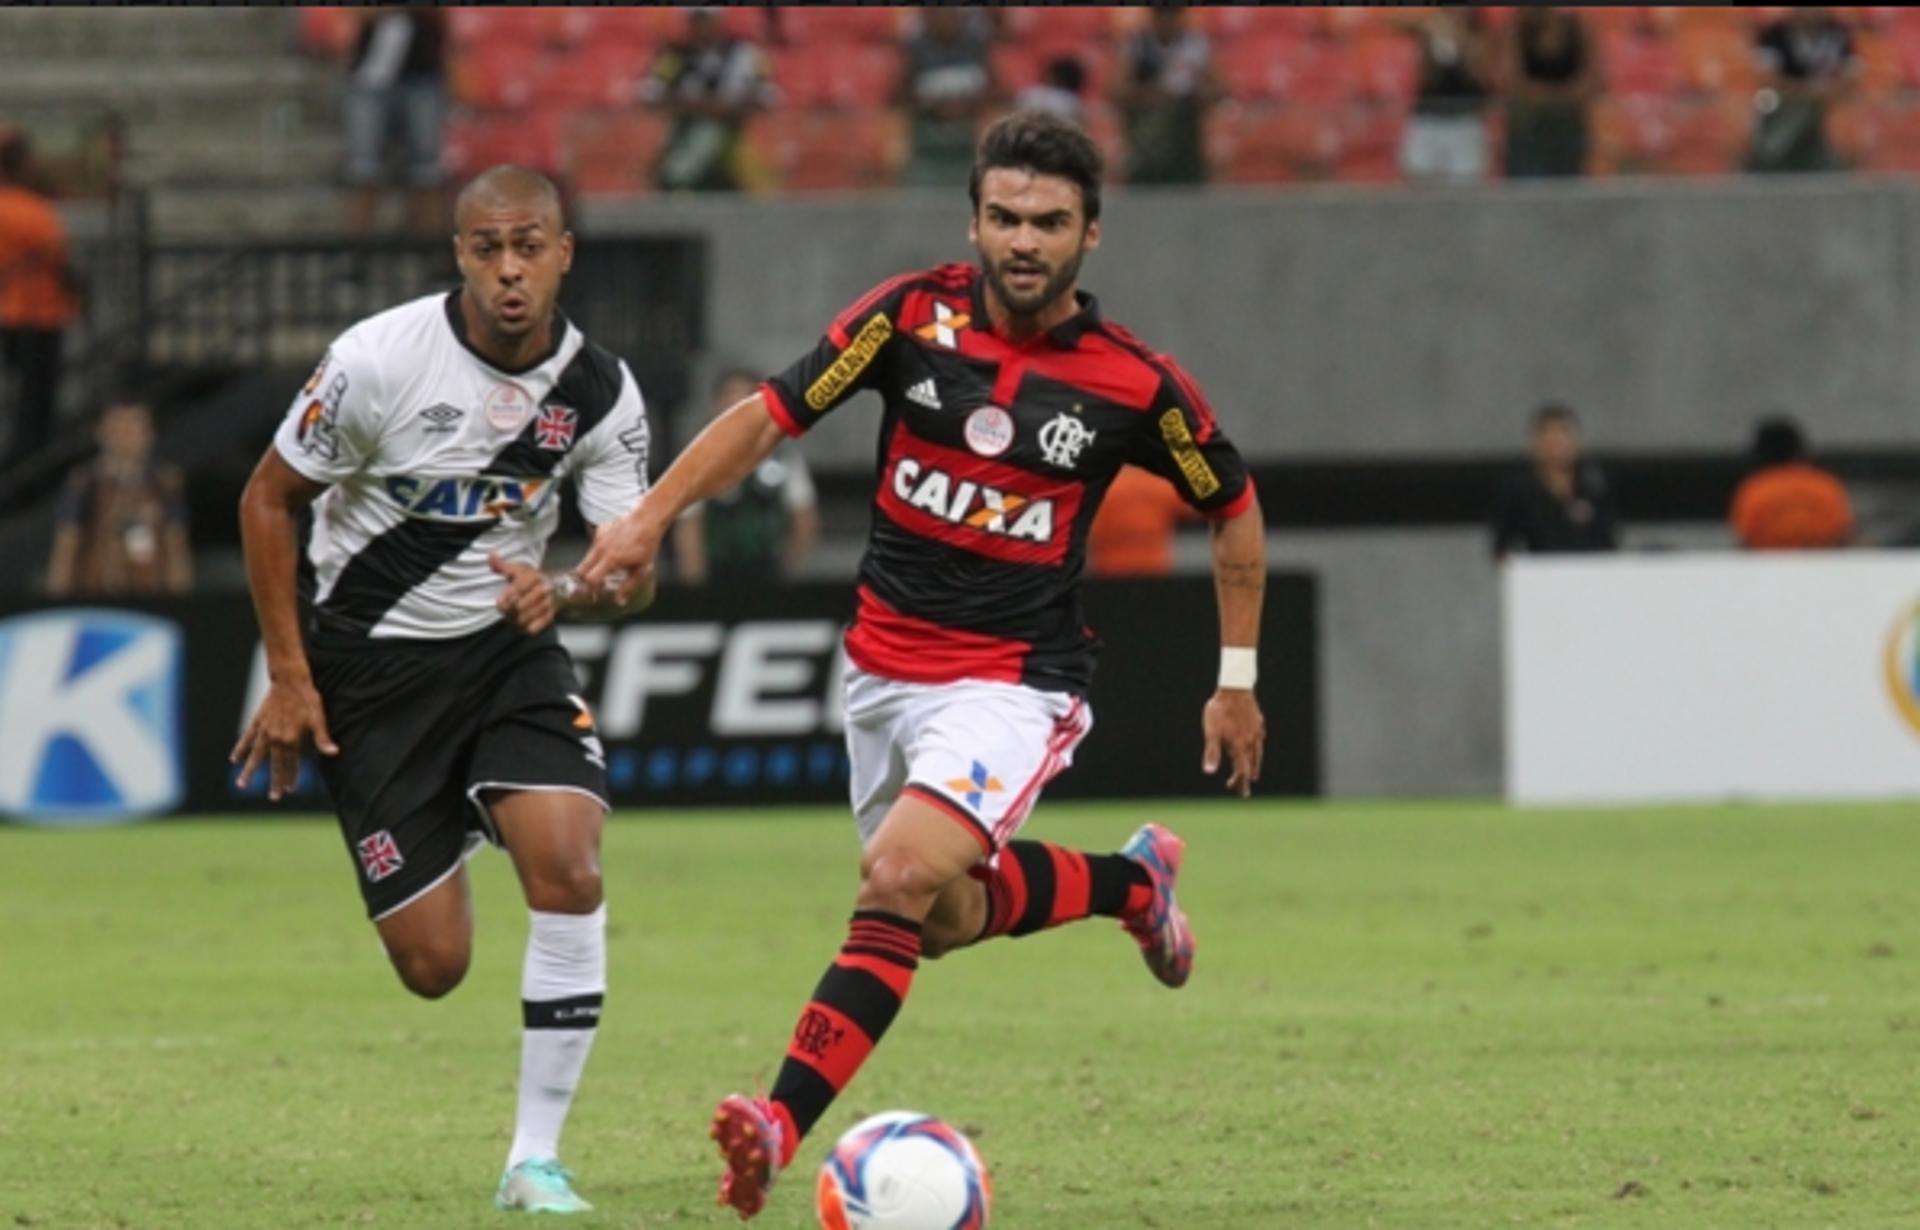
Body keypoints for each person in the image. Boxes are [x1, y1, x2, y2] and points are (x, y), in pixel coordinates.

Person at [574, 109, 1267, 1220]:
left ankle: (778, 1121)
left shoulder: (1134, 384)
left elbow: (1234, 511)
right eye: (1003, 218)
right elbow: (767, 417)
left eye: (1049, 221)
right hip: (882, 676)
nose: (1023, 241)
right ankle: (1137, 883)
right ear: (975, 222)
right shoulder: (909, 319)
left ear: (1093, 234)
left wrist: (1234, 678)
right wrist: (651, 517)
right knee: (937, 919)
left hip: (1012, 679)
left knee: (894, 879)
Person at [231, 166, 654, 1215]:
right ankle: (458, 814)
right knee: (434, 966)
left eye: (529, 246)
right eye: (486, 248)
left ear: (565, 252)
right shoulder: (376, 361)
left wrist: (562, 590)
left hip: (506, 654)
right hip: (367, 672)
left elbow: (628, 572)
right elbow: (267, 500)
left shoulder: (600, 392)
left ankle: (535, 1160)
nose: (509, 270)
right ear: (458, 254)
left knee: (566, 865)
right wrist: (289, 674)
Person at [672, 367, 819, 586]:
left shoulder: (785, 460)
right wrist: (696, 590)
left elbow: (804, 521)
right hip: (716, 577)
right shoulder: (696, 462)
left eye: (746, 398)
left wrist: (788, 573)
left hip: (770, 575)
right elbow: (688, 528)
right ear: (717, 405)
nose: (737, 408)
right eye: (730, 398)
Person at [45, 397, 192, 597]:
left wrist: (181, 596)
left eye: (134, 428)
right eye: (118, 428)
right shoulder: (85, 482)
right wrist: (57, 597)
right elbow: (67, 543)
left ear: (149, 434)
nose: (126, 436)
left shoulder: (165, 483)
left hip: (152, 593)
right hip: (94, 592)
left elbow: (175, 543)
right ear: (102, 433)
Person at [0, 127, 80, 478]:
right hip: (39, 312)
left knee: (18, 394)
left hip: (8, 312)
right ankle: (31, 466)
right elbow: (59, 259)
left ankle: (17, 459)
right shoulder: (34, 209)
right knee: (37, 398)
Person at [641, 7, 778, 193]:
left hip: (737, 131)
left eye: (706, 19)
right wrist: (703, 105)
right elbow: (651, 94)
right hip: (684, 129)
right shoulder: (673, 55)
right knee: (703, 131)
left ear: (719, 21)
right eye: (696, 19)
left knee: (710, 133)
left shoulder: (746, 54)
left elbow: (767, 97)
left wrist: (726, 106)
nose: (701, 26)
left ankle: (679, 174)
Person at [341, 8, 448, 234]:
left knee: (426, 173)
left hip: (421, 78)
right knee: (364, 171)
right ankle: (356, 254)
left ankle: (426, 252)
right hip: (369, 82)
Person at [1112, 3, 1222, 185]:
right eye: (1162, 14)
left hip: (1185, 120)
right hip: (1146, 121)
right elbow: (1118, 91)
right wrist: (1150, 94)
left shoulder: (1196, 44)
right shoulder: (1137, 45)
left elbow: (1218, 89)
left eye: (1172, 14)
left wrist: (1195, 92)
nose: (1167, 21)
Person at [1492, 403, 1618, 558]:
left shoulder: (1594, 486)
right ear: (1536, 442)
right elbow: (1502, 545)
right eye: (1550, 435)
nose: (1558, 443)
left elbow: (1609, 540)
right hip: (1538, 575)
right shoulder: (1519, 491)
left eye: (1564, 433)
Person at [898, 6, 999, 188]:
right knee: (895, 128)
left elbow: (995, 89)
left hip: (972, 118)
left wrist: (966, 106)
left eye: (952, 15)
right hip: (925, 120)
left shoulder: (977, 45)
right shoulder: (915, 48)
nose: (947, 21)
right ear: (930, 18)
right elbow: (900, 94)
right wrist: (933, 105)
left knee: (996, 123)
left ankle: (990, 184)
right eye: (941, 15)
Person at [1748, 7, 1858, 174]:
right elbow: (1767, 80)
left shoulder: (1838, 33)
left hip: (1825, 108)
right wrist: (1809, 93)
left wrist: (1819, 95)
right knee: (1799, 111)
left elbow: (1851, 79)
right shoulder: (1774, 34)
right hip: (1781, 109)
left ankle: (1773, 152)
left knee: (1816, 114)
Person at [1730, 415, 1854, 550]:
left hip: (1770, 568)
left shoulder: (1754, 490)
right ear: (1798, 450)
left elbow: (1746, 540)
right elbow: (1842, 535)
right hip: (1821, 567)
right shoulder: (1825, 485)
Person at [1400, 8, 1492, 184]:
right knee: (1419, 181)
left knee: (1466, 185)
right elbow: (1427, 77)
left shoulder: (1481, 34)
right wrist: (1431, 41)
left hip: (1465, 120)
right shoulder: (1433, 31)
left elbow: (1480, 76)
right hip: (1429, 117)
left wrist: (1461, 39)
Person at [1502, 6, 1595, 178]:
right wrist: (1556, 96)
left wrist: (1551, 96)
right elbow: (1511, 80)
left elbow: (1591, 78)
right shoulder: (1517, 30)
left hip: (1568, 126)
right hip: (1528, 127)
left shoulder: (1577, 27)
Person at [1087, 462, 1195, 577]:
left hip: (1112, 573)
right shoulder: (1160, 485)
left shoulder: (1105, 490)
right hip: (1154, 570)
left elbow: (1091, 536)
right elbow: (1193, 509)